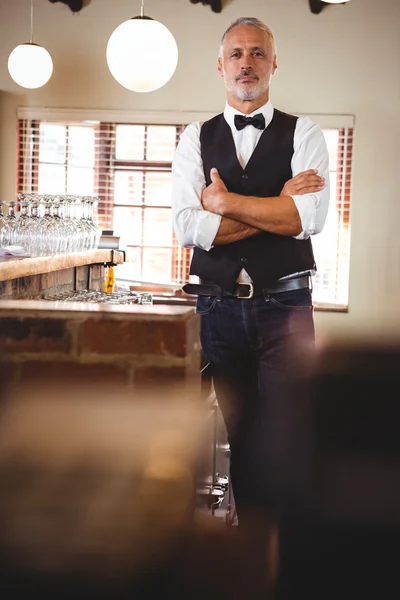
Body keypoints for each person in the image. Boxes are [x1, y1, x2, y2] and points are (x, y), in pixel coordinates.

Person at [171, 17, 330, 533]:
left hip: (286, 307)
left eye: (258, 53)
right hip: (216, 307)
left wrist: (225, 205)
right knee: (237, 434)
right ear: (221, 66)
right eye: (236, 54)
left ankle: (290, 547)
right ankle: (248, 545)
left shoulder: (304, 133)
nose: (247, 62)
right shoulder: (196, 137)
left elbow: (308, 220)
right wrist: (274, 206)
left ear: (274, 63)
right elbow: (188, 227)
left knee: (287, 433)